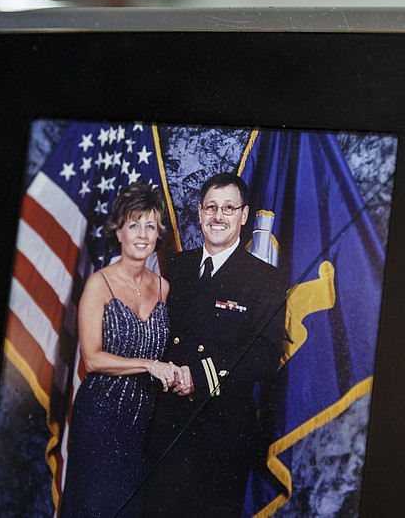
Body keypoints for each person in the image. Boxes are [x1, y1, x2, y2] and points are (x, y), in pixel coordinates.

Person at [144, 173, 288, 517]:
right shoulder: (176, 266)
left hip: (222, 433)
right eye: (211, 207)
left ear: (243, 215)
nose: (218, 216)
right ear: (199, 212)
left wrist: (199, 375)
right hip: (168, 423)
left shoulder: (266, 279)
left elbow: (266, 356)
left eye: (228, 208)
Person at [60, 182, 181, 518]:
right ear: (118, 231)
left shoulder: (163, 287)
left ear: (159, 233)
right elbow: (92, 358)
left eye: (150, 225)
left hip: (144, 422)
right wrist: (150, 365)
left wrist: (173, 371)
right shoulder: (99, 283)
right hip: (101, 418)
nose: (142, 235)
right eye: (133, 225)